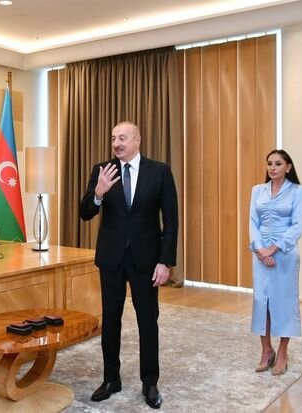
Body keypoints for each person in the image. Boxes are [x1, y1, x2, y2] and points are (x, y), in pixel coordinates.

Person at [79, 121, 178, 409]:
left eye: (122, 138)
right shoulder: (103, 170)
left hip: (146, 260)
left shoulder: (159, 171)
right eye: (113, 138)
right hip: (111, 258)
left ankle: (150, 382)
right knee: (111, 320)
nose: (116, 143)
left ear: (137, 140)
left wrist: (165, 261)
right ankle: (111, 379)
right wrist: (97, 193)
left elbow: (171, 220)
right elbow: (85, 212)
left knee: (148, 321)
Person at [249, 149, 302, 376]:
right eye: (270, 163)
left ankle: (283, 352)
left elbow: (297, 225)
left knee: (284, 302)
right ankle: (266, 351)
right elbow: (253, 222)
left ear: (288, 167)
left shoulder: (298, 191)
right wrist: (260, 249)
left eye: (278, 164)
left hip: (285, 253)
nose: (273, 168)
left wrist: (272, 249)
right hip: (260, 253)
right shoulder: (257, 190)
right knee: (261, 301)